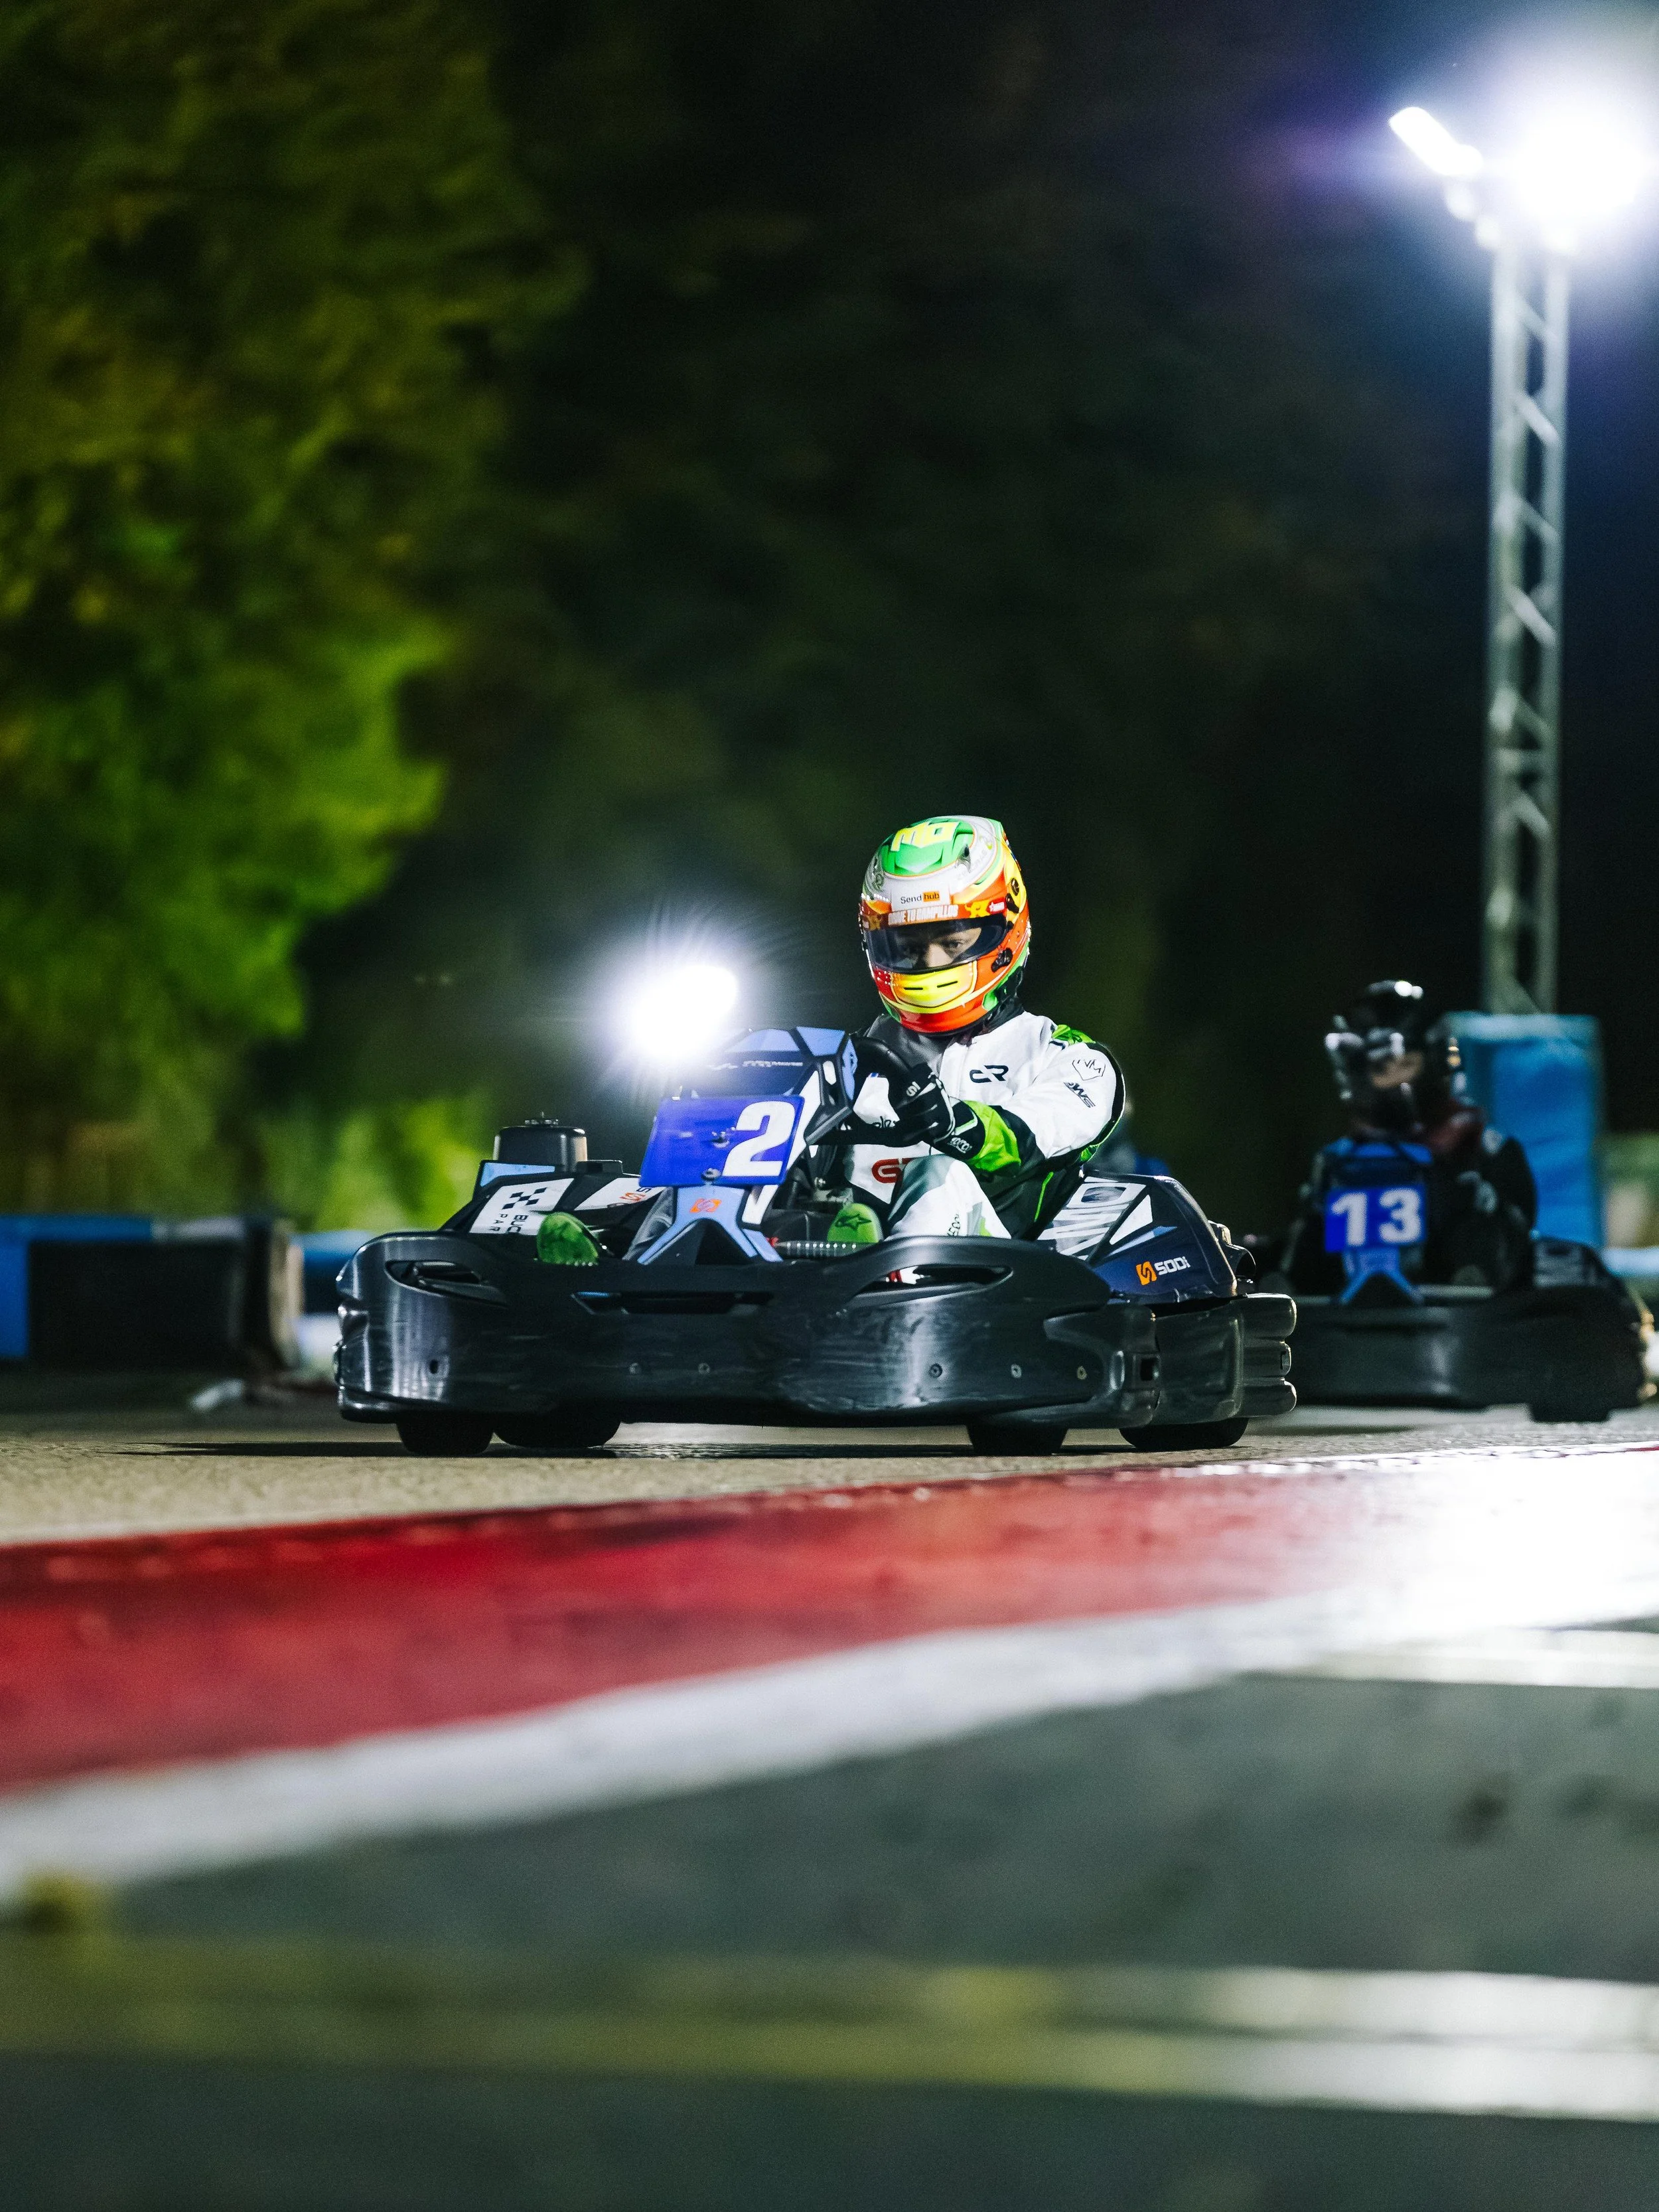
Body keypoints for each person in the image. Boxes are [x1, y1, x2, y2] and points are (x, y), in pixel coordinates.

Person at [830, 814, 1126, 1242]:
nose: (929, 963)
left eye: (952, 942)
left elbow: (1024, 1140)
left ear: (1004, 928)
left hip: (1003, 1270)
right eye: (909, 947)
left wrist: (954, 1122)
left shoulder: (1070, 1058)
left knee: (939, 1175)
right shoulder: (848, 1059)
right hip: (841, 1259)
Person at [1277, 979, 1536, 1294]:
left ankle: (1466, 1282)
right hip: (1350, 1312)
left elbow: (1519, 1235)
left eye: (1406, 1065)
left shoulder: (1481, 1147)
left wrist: (1455, 1193)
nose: (1396, 1079)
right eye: (1383, 1069)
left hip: (1456, 1310)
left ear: (1435, 1061)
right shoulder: (1338, 1162)